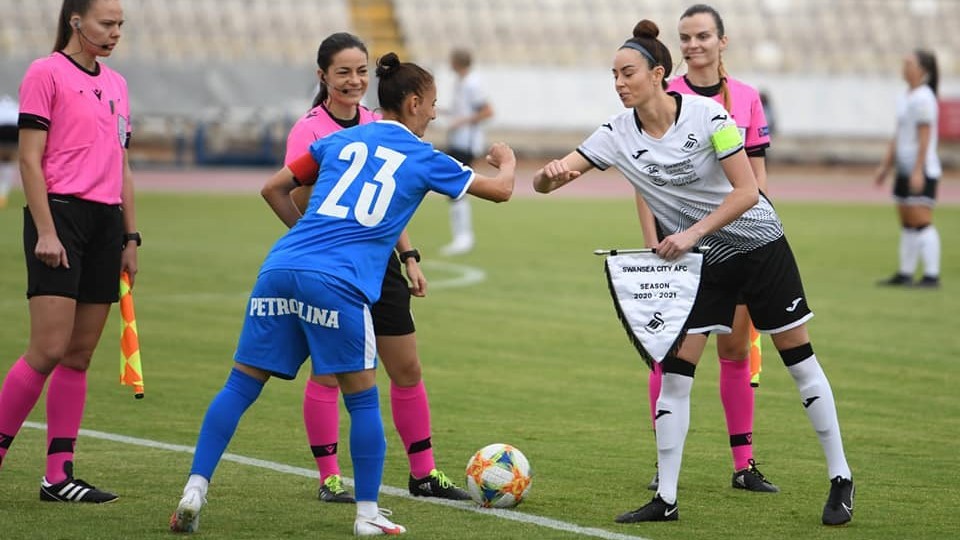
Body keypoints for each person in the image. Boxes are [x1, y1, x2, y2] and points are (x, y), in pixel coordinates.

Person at [169, 52, 516, 537]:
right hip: (338, 282)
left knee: (241, 384)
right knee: (362, 399)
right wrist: (506, 159)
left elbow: (274, 188)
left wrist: (306, 240)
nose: (436, 114)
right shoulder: (423, 156)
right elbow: (501, 191)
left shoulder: (340, 139)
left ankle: (194, 489)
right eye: (433, 104)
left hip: (281, 266)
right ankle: (368, 514)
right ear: (413, 103)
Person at [533, 20, 854, 526]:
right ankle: (666, 498)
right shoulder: (615, 133)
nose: (618, 83)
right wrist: (547, 176)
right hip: (703, 262)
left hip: (759, 244)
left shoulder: (710, 115)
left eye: (628, 73)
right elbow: (546, 182)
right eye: (613, 75)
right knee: (676, 376)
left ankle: (840, 477)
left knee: (799, 362)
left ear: (658, 74)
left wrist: (689, 234)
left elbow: (749, 192)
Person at [285, 32, 470, 504]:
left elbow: (389, 205)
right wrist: (308, 244)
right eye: (343, 72)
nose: (354, 81)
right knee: (330, 372)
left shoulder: (375, 122)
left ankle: (423, 472)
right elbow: (288, 194)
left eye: (361, 71)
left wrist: (408, 257)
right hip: (331, 267)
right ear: (323, 76)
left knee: (406, 367)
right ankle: (329, 477)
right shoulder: (309, 130)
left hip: (379, 264)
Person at [0, 0, 137, 504]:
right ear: (76, 21)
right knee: (48, 350)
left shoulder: (119, 84)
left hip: (105, 223)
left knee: (78, 356)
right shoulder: (45, 73)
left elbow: (122, 166)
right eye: (107, 22)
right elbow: (29, 162)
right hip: (59, 216)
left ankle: (58, 477)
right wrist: (46, 231)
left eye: (121, 23)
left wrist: (130, 237)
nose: (116, 31)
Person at [643, 3, 777, 494]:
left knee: (736, 350)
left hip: (737, 238)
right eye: (686, 38)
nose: (694, 45)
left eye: (703, 36)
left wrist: (760, 233)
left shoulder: (745, 97)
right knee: (671, 355)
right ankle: (665, 466)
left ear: (723, 41)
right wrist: (650, 239)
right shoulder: (662, 95)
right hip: (677, 243)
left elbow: (756, 175)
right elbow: (644, 179)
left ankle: (744, 465)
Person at [874, 50, 941, 288]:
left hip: (920, 169)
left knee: (921, 220)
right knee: (907, 222)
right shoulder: (905, 96)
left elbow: (925, 137)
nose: (904, 66)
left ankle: (932, 275)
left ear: (923, 69)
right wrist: (886, 165)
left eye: (909, 63)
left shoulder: (924, 98)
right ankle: (906, 272)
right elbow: (899, 134)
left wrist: (918, 169)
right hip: (904, 168)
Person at [440, 48, 494, 256]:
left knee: (458, 186)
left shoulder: (473, 83)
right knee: (454, 186)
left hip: (467, 141)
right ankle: (461, 236)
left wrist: (461, 121)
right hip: (458, 139)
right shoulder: (462, 82)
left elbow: (487, 111)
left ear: (457, 62)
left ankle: (464, 237)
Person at [0, 94, 18, 209]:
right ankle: (2, 194)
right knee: (8, 166)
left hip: (4, 132)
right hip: (14, 133)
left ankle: (2, 194)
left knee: (5, 165)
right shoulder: (17, 107)